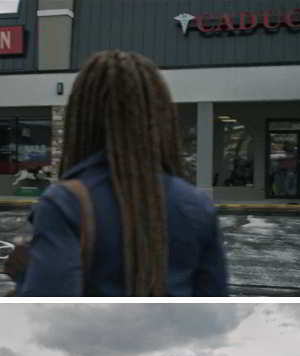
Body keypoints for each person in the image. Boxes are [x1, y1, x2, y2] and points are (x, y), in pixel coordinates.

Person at [15, 50, 228, 296]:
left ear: (83, 116)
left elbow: (49, 314)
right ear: (159, 117)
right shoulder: (198, 205)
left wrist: (24, 274)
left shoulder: (65, 203)